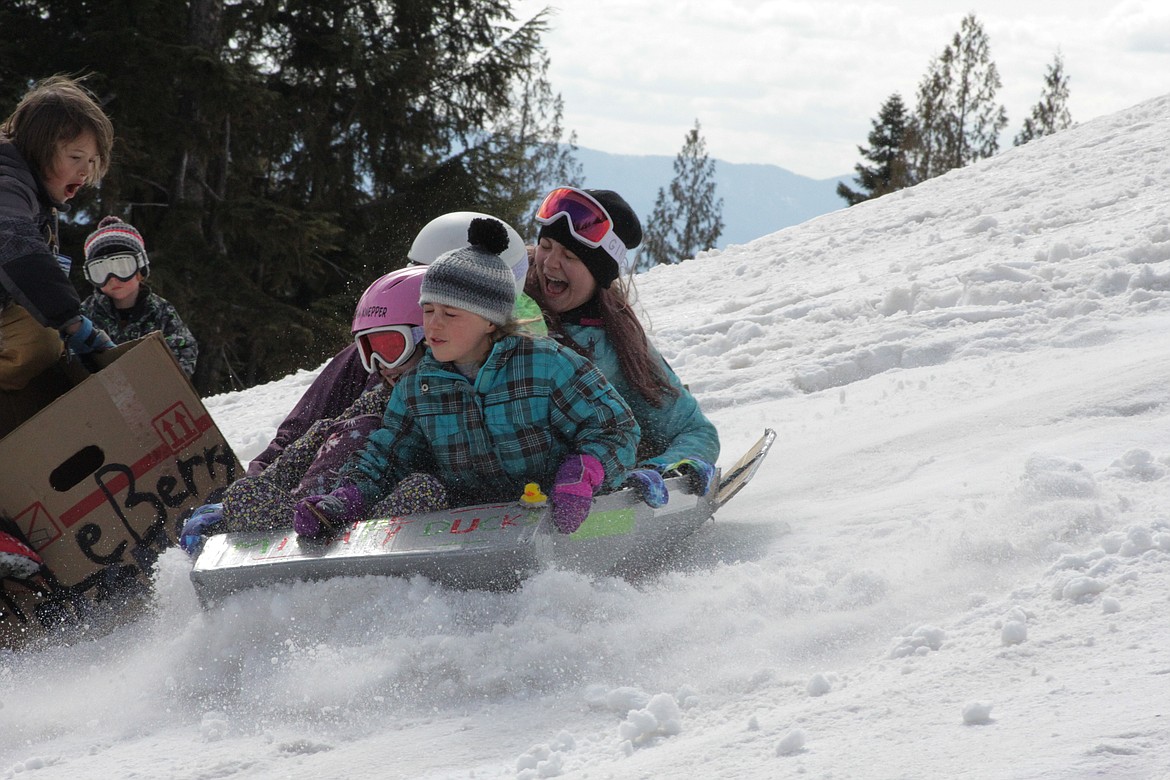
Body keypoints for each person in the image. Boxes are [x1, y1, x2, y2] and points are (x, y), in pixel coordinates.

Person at [291, 217, 640, 538]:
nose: (434, 324)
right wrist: (347, 497)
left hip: (567, 516)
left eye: (450, 313)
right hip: (480, 534)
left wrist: (582, 474)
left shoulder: (546, 364)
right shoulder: (419, 387)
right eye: (428, 311)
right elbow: (387, 459)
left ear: (490, 321)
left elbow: (615, 428)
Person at [245, 211, 535, 477]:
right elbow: (308, 429)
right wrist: (261, 477)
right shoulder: (375, 361)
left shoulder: (521, 367)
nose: (430, 311)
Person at [178, 266, 428, 553]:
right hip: (330, 503)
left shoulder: (472, 385)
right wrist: (258, 483)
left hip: (394, 511)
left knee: (420, 485)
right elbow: (310, 431)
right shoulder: (378, 386)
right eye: (367, 349)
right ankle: (296, 523)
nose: (380, 363)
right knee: (348, 430)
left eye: (390, 346)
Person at [526, 186, 720, 509]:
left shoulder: (619, 346)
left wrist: (662, 469)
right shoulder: (506, 303)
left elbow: (693, 430)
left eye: (571, 256)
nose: (550, 264)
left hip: (575, 495)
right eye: (545, 246)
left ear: (599, 272)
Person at [0, 75, 116, 577]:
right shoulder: (6, 186)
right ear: (42, 146)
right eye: (75, 157)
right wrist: (72, 322)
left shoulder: (23, 190)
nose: (86, 174)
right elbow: (17, 252)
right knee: (39, 339)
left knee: (37, 354)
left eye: (93, 164)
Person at [80, 216, 199, 376]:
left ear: (140, 270)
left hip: (153, 390)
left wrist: (167, 378)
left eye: (123, 267)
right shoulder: (86, 314)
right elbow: (73, 356)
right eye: (101, 271)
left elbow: (185, 347)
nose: (113, 278)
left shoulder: (161, 311)